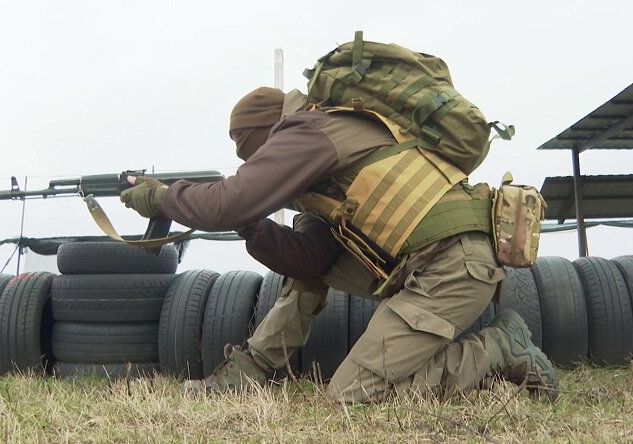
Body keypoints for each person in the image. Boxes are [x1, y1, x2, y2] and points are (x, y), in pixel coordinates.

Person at [120, 87, 558, 403]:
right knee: (310, 273)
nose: (259, 169)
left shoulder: (309, 132)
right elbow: (313, 260)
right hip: (427, 262)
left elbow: (224, 202)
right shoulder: (320, 169)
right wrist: (250, 224)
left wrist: (161, 197)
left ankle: (499, 348)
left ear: (266, 135)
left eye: (254, 158)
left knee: (352, 395)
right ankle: (249, 371)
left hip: (454, 263)